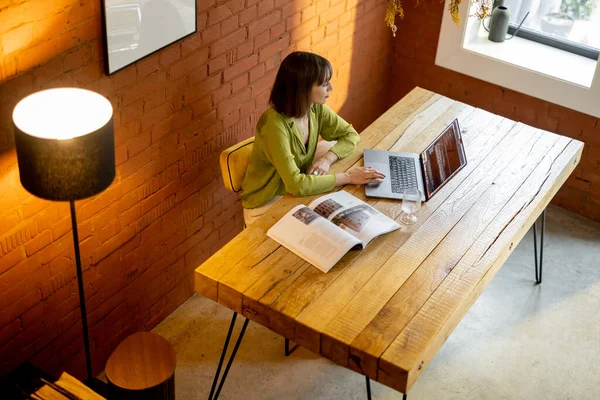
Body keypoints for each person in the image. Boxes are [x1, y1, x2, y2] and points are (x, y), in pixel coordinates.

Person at [240, 51, 385, 225]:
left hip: (293, 188)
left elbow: (350, 135)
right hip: (267, 201)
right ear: (303, 87)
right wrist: (348, 177)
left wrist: (327, 159)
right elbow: (296, 185)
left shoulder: (314, 108)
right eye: (324, 84)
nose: (330, 88)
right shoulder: (274, 126)